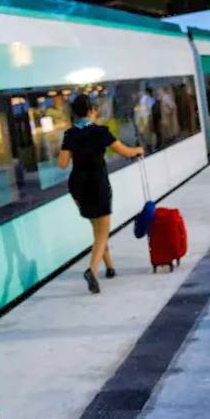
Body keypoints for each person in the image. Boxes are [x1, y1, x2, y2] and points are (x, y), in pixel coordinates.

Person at [58, 94, 144, 294]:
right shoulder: (100, 132)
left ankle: (110, 267)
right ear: (91, 111)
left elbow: (62, 164)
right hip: (98, 185)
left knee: (97, 230)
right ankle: (92, 271)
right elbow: (125, 151)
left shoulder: (70, 134)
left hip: (78, 187)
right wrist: (138, 150)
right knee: (103, 233)